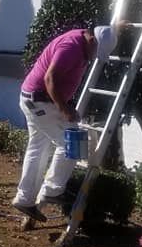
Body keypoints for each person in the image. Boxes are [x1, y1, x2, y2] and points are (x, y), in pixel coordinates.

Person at [12, 25, 119, 222]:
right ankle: (52, 191)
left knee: (38, 148)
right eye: (97, 51)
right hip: (40, 102)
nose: (95, 56)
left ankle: (24, 199)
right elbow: (49, 79)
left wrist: (118, 27)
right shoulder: (71, 47)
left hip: (35, 100)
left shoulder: (85, 41)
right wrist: (64, 109)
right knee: (73, 144)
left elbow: (58, 81)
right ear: (91, 41)